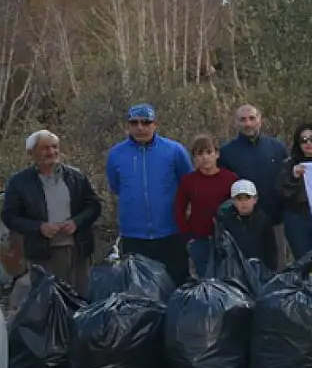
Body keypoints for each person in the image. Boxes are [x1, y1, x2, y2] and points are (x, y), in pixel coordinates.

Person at [2, 130, 102, 301]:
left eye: (54, 147)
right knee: (50, 302)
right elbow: (10, 216)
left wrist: (76, 223)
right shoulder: (19, 182)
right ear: (31, 153)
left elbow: (94, 206)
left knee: (82, 299)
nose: (51, 152)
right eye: (45, 148)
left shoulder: (75, 177)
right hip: (44, 253)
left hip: (78, 249)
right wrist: (39, 227)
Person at [106, 104, 194, 285]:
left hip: (170, 232)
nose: (140, 127)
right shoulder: (116, 154)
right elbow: (116, 186)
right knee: (139, 290)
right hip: (134, 235)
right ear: (128, 126)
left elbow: (188, 185)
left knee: (176, 284)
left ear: (155, 124)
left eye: (146, 122)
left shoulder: (174, 151)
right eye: (134, 123)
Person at [218, 105, 289, 268]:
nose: (248, 123)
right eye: (242, 120)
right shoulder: (227, 153)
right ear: (236, 123)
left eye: (252, 118)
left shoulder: (277, 148)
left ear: (260, 120)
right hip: (243, 226)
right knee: (245, 271)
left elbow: (288, 182)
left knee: (278, 268)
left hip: (275, 221)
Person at [174, 134, 238, 277]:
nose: (205, 157)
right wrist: (187, 236)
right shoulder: (188, 181)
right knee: (206, 280)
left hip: (225, 239)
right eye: (200, 154)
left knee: (227, 278)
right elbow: (179, 208)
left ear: (217, 154)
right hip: (199, 239)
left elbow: (239, 206)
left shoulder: (230, 178)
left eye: (209, 152)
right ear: (194, 158)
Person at [277, 123, 312, 260]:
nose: (308, 143)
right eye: (303, 140)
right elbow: (282, 192)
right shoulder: (289, 164)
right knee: (304, 259)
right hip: (298, 217)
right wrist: (294, 177)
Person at [214, 179, 278, 272]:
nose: (244, 202)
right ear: (234, 201)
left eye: (247, 197)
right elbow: (220, 250)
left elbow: (270, 249)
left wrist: (270, 270)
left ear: (255, 199)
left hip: (259, 271)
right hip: (234, 272)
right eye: (239, 199)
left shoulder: (263, 220)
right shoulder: (226, 221)